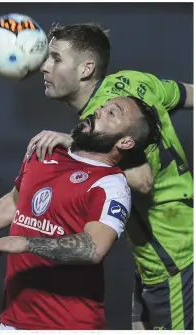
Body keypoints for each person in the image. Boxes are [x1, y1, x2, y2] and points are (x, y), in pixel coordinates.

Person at [25, 24, 193, 330]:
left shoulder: (113, 123)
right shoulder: (133, 81)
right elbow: (186, 95)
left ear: (86, 68)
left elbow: (142, 179)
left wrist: (75, 147)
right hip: (160, 258)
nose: (44, 67)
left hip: (174, 260)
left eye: (56, 59)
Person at [0, 97, 158, 330]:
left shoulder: (111, 184)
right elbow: (15, 203)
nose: (99, 111)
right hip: (11, 322)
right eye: (103, 106)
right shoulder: (47, 151)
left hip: (66, 325)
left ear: (125, 142)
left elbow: (93, 247)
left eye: (113, 113)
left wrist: (25, 242)